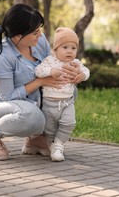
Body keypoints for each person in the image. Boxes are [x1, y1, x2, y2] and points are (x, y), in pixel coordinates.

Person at [0, 4, 80, 160]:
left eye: (39, 29)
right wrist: (40, 81)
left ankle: (37, 139)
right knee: (33, 116)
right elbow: (7, 97)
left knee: (69, 91)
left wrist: (72, 74)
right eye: (35, 32)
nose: (40, 35)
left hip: (32, 100)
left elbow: (53, 63)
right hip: (1, 105)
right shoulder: (3, 57)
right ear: (18, 36)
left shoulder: (39, 40)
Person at [35, 27, 90, 162]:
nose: (70, 51)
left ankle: (59, 144)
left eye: (73, 48)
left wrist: (81, 75)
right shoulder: (49, 61)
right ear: (56, 49)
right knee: (49, 129)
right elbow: (38, 71)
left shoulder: (75, 63)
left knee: (69, 122)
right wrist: (50, 71)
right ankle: (52, 146)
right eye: (65, 47)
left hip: (67, 102)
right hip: (49, 103)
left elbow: (87, 71)